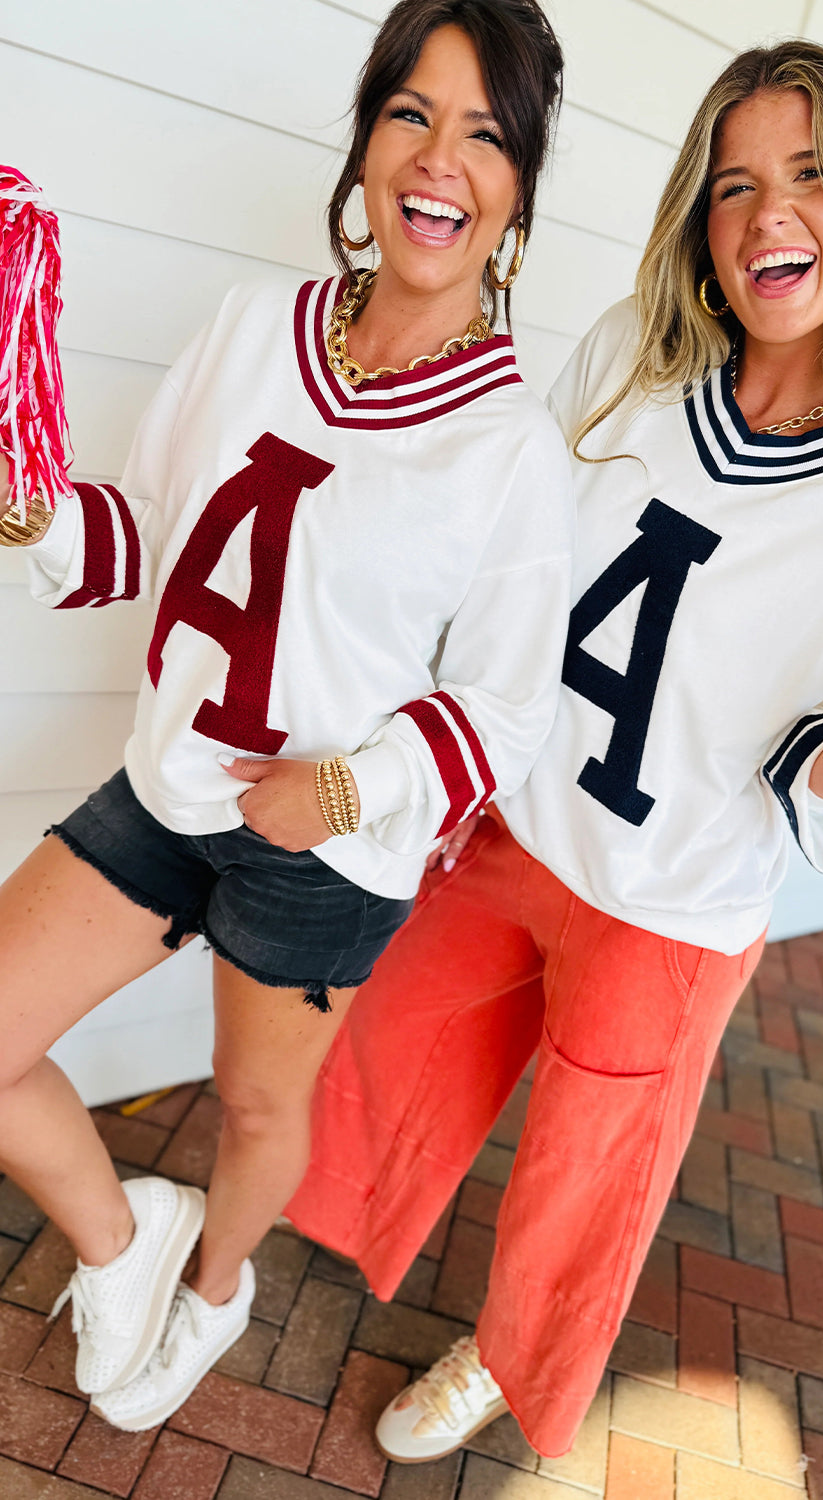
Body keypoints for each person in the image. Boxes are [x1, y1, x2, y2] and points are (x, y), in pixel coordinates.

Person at [286, 40, 823, 1463]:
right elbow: (506, 563)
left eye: (806, 177)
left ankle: (506, 1358)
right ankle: (302, 1224)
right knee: (392, 1053)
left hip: (669, 905)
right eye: (731, 185)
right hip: (516, 827)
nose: (763, 219)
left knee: (581, 1180)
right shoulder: (627, 353)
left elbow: (815, 755)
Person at [0, 0, 570, 1433]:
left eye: (485, 135)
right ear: (369, 137)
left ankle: (217, 1290)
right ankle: (125, 1243)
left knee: (260, 1114)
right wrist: (37, 513)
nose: (440, 159)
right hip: (169, 785)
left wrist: (338, 793)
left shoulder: (509, 449)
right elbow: (150, 540)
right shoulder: (255, 326)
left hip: (321, 851)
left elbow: (503, 704)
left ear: (517, 188)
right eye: (411, 114)